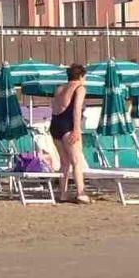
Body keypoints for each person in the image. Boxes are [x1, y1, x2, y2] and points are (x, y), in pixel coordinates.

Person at [50, 63, 89, 204]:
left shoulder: (59, 89)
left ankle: (63, 194)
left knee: (64, 162)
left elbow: (55, 107)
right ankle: (81, 193)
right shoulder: (80, 88)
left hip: (55, 125)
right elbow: (76, 109)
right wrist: (76, 129)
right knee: (76, 161)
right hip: (68, 125)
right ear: (81, 76)